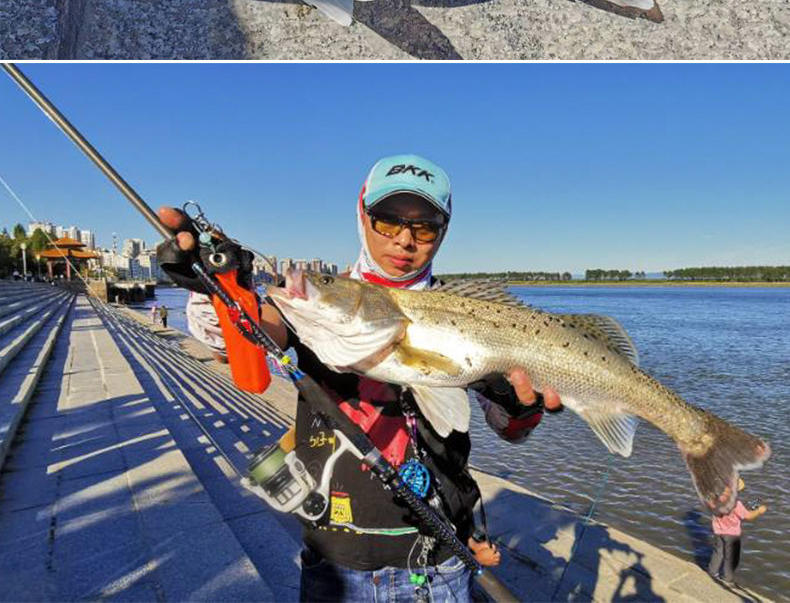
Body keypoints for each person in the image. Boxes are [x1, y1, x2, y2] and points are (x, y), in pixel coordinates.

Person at [157, 154, 563, 603]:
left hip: (440, 558)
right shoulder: (320, 303)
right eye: (388, 221)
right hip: (337, 560)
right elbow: (245, 335)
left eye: (424, 226)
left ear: (443, 232)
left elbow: (511, 430)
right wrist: (215, 286)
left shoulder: (474, 317)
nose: (405, 240)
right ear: (362, 213)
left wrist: (522, 405)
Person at [708, 477, 767, 587]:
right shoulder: (737, 504)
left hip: (717, 531)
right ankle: (726, 578)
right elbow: (748, 516)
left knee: (718, 551)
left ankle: (712, 572)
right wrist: (758, 511)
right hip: (731, 535)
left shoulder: (715, 500)